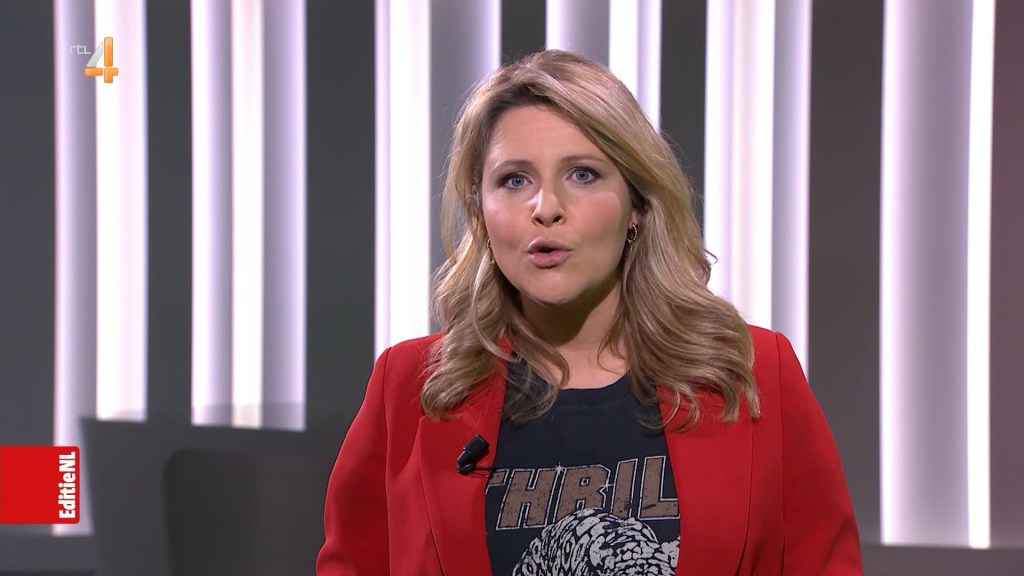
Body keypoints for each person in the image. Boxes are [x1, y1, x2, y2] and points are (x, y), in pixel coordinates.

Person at [317, 49, 862, 575]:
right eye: (514, 180)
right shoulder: (409, 390)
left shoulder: (755, 373)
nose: (546, 208)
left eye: (582, 174)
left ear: (637, 206)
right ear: (480, 212)